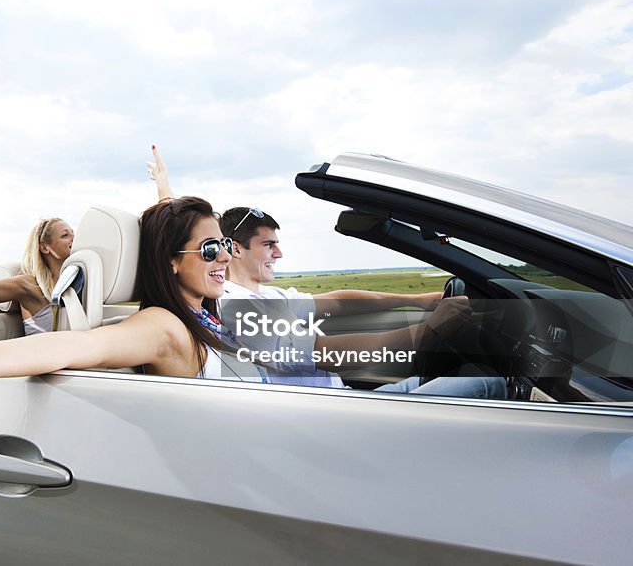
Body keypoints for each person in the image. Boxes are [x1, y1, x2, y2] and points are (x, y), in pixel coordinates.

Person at [0, 197, 253, 420]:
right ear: (170, 259)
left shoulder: (216, 309)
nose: (224, 258)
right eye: (210, 249)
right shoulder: (164, 325)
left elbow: (304, 330)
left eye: (225, 246)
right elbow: (78, 346)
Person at [147, 147, 504, 396]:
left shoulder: (266, 297)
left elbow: (336, 302)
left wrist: (423, 300)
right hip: (331, 418)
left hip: (342, 397)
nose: (279, 253)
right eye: (268, 245)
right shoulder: (233, 305)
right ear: (236, 248)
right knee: (489, 385)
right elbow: (327, 351)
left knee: (474, 381)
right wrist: (424, 333)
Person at [0, 218, 76, 334]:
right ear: (45, 247)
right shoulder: (30, 286)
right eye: (65, 235)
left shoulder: (77, 286)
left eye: (74, 234)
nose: (74, 238)